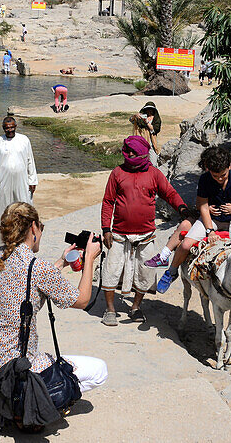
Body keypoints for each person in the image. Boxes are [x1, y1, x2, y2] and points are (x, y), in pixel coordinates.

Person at [0, 202, 106, 398]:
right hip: (16, 366)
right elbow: (83, 300)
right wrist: (90, 259)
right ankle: (33, 399)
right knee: (99, 370)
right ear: (33, 227)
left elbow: (29, 287)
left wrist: (61, 262)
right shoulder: (39, 268)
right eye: (41, 226)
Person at [147, 145, 231, 296]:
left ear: (229, 166)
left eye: (222, 175)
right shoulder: (205, 180)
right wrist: (210, 230)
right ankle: (171, 272)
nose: (219, 179)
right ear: (208, 170)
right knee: (185, 245)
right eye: (215, 176)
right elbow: (203, 207)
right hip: (212, 220)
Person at [99, 135, 185, 325]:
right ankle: (110, 309)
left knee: (145, 272)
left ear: (143, 153)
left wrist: (182, 208)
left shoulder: (154, 174)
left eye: (134, 152)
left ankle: (136, 307)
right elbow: (108, 201)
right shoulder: (117, 173)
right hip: (119, 235)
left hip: (146, 235)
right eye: (127, 151)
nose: (129, 154)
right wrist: (106, 228)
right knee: (111, 270)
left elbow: (169, 193)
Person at [0, 116, 38, 220]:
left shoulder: (24, 140)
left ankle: (25, 234)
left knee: (24, 207)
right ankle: (4, 235)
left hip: (22, 181)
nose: (9, 130)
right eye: (7, 128)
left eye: (11, 127)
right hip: (4, 182)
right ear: (3, 128)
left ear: (15, 126)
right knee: (5, 209)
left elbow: (30, 161)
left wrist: (32, 181)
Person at [129, 101, 162, 166]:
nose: (149, 111)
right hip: (141, 142)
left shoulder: (156, 119)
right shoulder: (140, 118)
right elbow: (131, 120)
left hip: (151, 142)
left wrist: (147, 122)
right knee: (141, 161)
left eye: (151, 109)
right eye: (147, 109)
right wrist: (135, 115)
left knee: (153, 163)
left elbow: (155, 129)